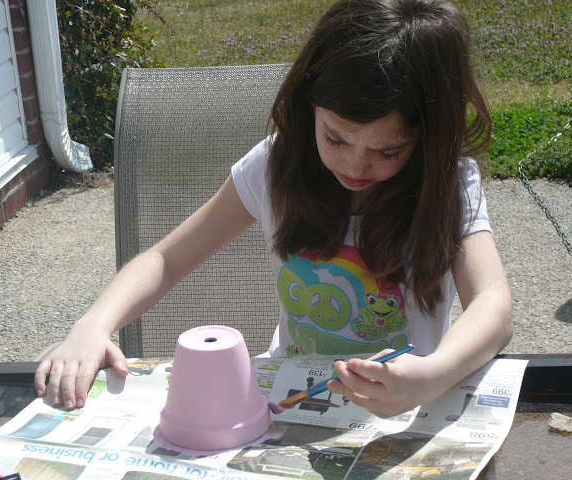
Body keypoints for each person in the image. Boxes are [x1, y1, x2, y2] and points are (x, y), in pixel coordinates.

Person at [35, 0, 513, 418]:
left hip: (402, 407)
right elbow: (166, 259)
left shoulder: (448, 184)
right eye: (336, 139)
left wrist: (432, 375)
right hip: (289, 400)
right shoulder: (275, 167)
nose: (355, 165)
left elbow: (493, 305)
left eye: (388, 151)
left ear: (429, 137)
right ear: (309, 104)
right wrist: (93, 325)